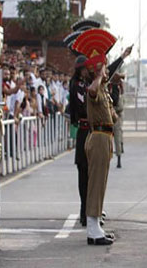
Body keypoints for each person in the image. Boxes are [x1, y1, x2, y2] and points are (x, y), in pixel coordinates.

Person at [85, 59, 117, 245]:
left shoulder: (103, 90)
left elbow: (113, 117)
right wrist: (98, 75)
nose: (107, 73)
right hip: (98, 138)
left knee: (101, 183)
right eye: (104, 70)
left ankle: (96, 225)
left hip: (105, 137)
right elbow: (92, 90)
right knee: (96, 183)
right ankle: (92, 229)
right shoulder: (94, 88)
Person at [68, 55, 90, 226]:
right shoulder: (76, 86)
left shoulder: (89, 83)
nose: (86, 71)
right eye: (83, 68)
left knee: (94, 174)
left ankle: (92, 209)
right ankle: (84, 211)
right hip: (84, 130)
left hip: (93, 131)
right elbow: (82, 107)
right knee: (83, 172)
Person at [109, 73, 125, 168]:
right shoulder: (111, 87)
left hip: (116, 116)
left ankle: (119, 157)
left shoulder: (117, 88)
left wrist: (112, 110)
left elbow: (120, 106)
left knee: (117, 137)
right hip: (110, 116)